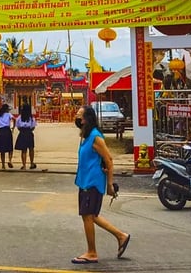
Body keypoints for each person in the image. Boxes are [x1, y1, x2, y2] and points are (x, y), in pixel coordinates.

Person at [72, 105, 130, 265]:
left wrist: (110, 185)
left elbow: (109, 160)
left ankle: (92, 253)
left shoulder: (96, 137)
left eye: (79, 115)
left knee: (88, 216)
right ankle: (121, 236)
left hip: (92, 182)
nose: (76, 117)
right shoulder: (86, 135)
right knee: (91, 215)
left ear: (86, 119)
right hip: (85, 180)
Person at [14, 103, 37, 170]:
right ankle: (32, 163)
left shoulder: (19, 117)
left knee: (23, 150)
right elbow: (33, 127)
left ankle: (24, 165)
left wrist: (22, 130)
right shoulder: (31, 118)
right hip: (29, 133)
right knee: (31, 149)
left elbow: (18, 126)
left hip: (22, 133)